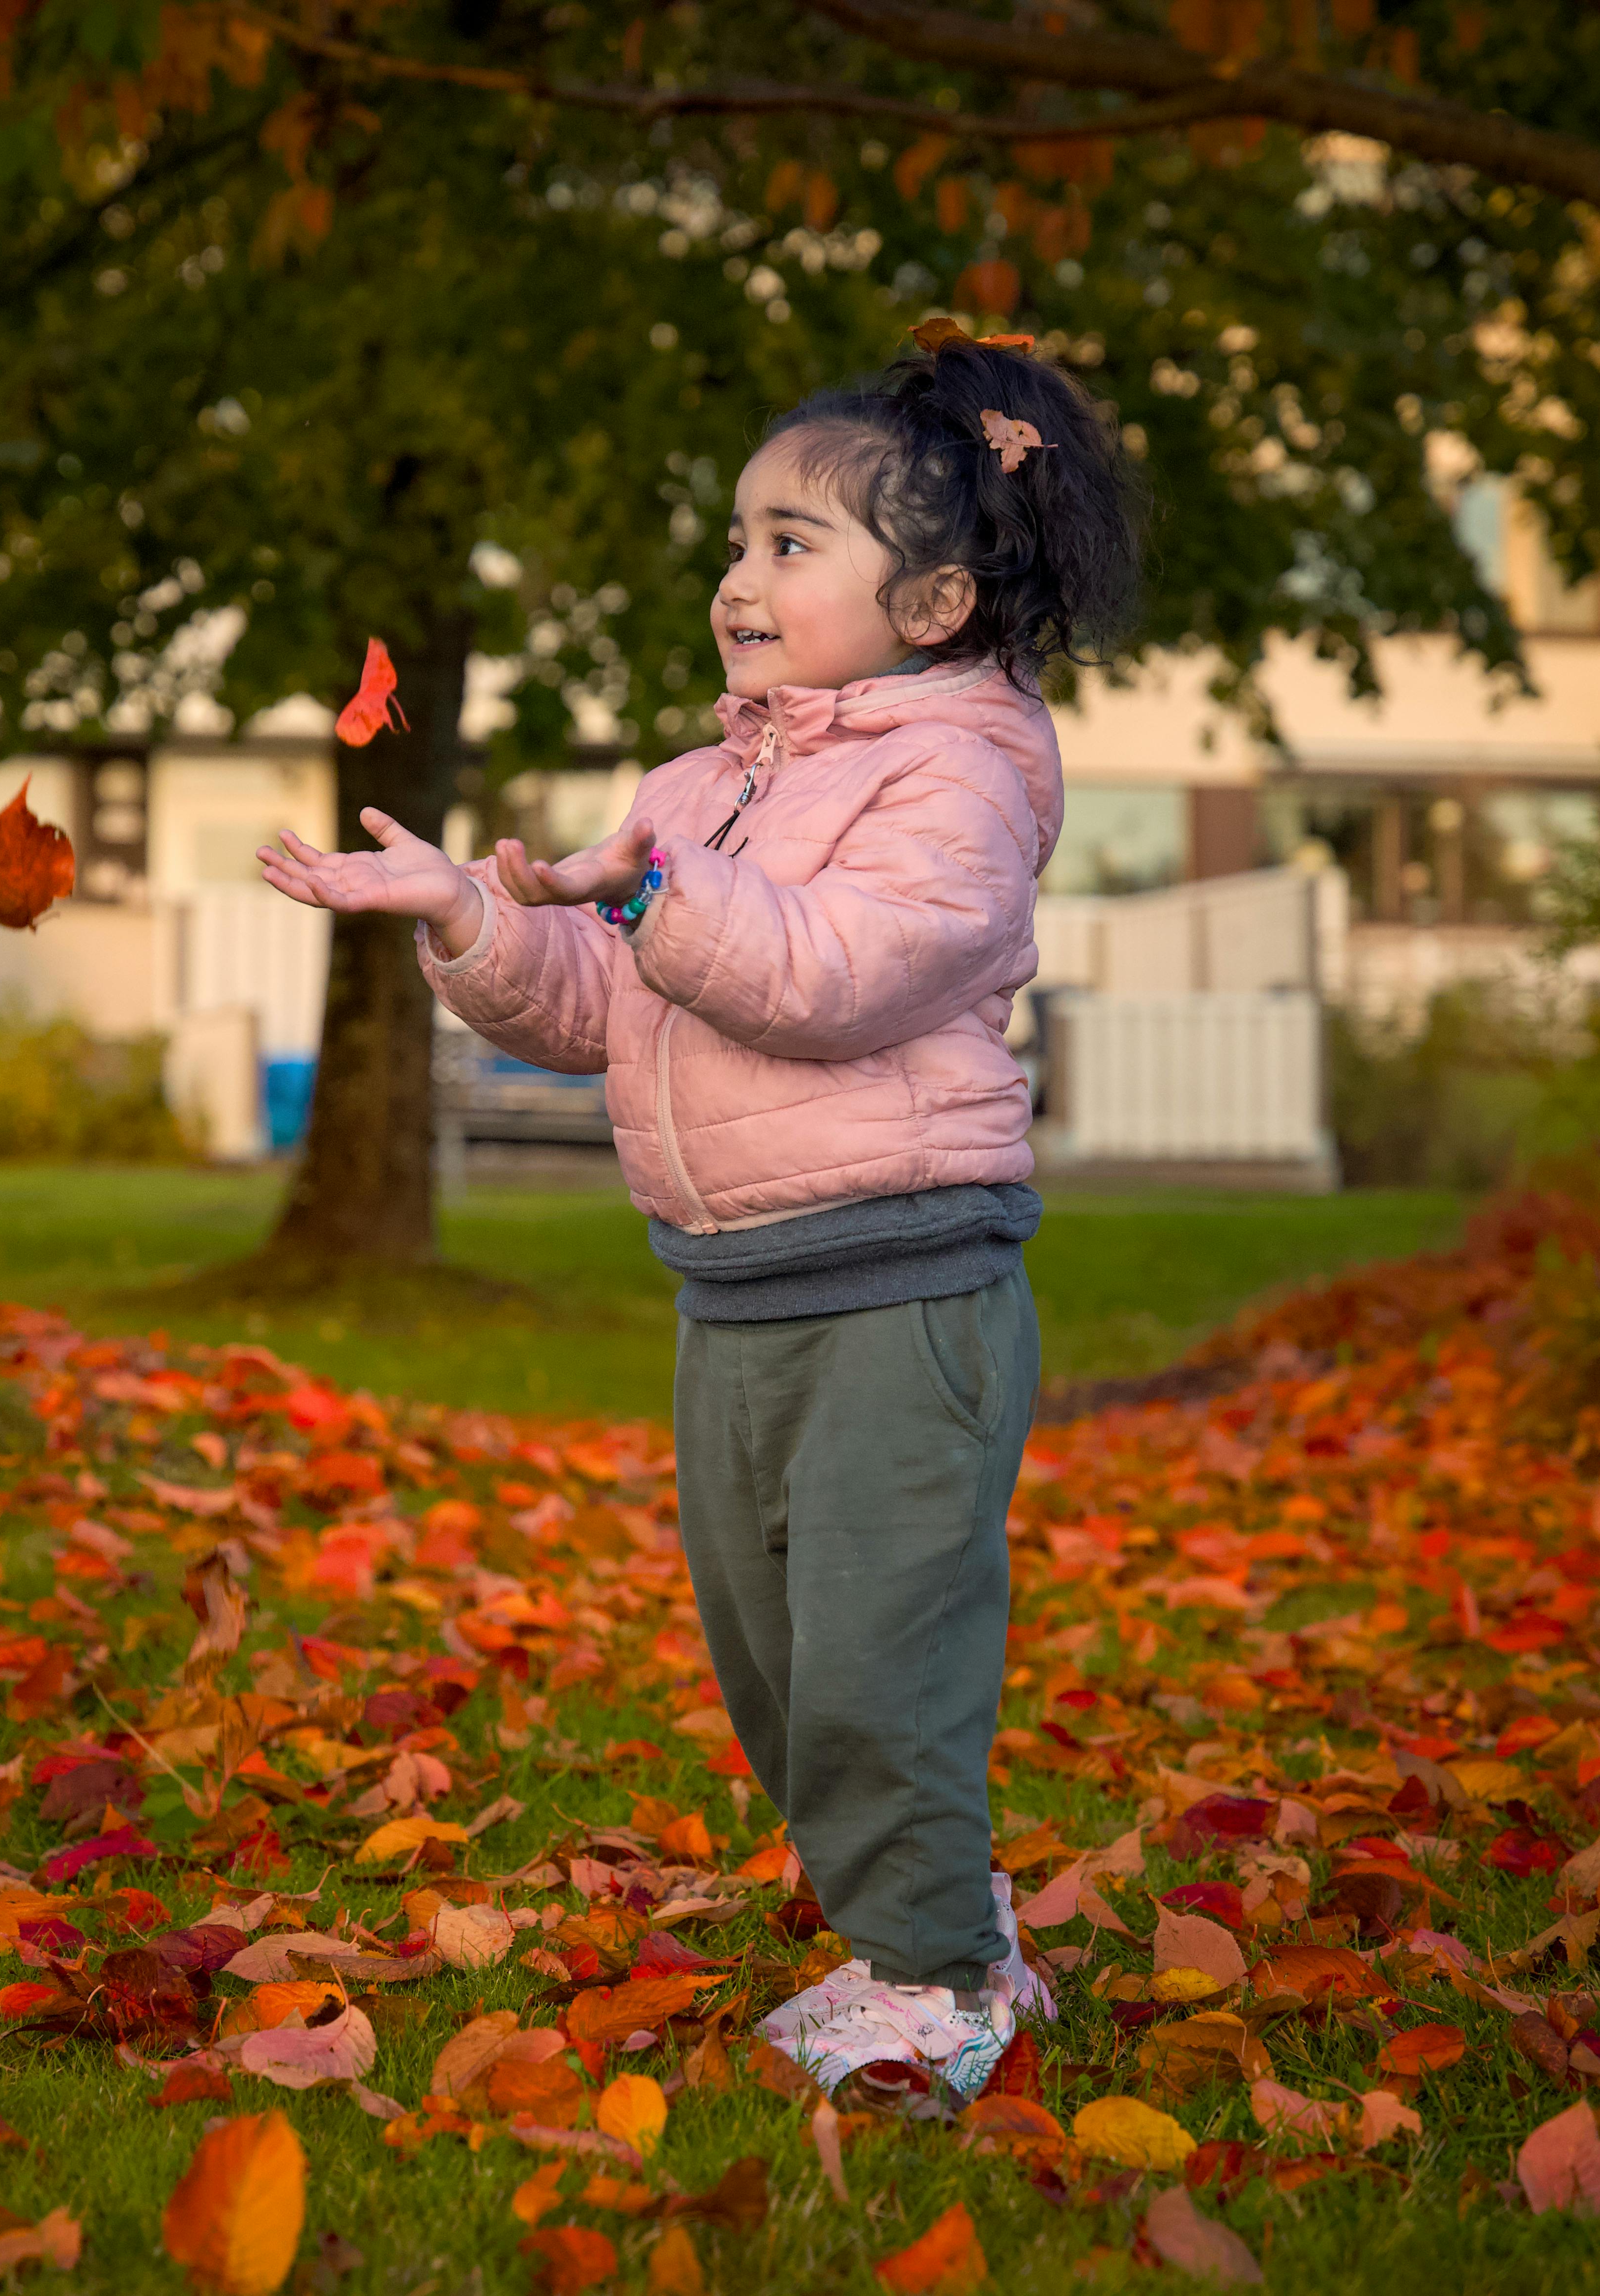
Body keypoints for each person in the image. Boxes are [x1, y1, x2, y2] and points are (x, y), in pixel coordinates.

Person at [259, 328, 1142, 2117]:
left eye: (792, 544)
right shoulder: (699, 783)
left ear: (936, 598)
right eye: (738, 540)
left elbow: (831, 973)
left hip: (902, 1287)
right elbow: (610, 1000)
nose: (740, 577)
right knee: (784, 1659)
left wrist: (666, 888)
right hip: (735, 1288)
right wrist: (468, 919)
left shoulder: (960, 783)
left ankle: (943, 1987)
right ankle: (928, 1910)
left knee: (883, 1650)